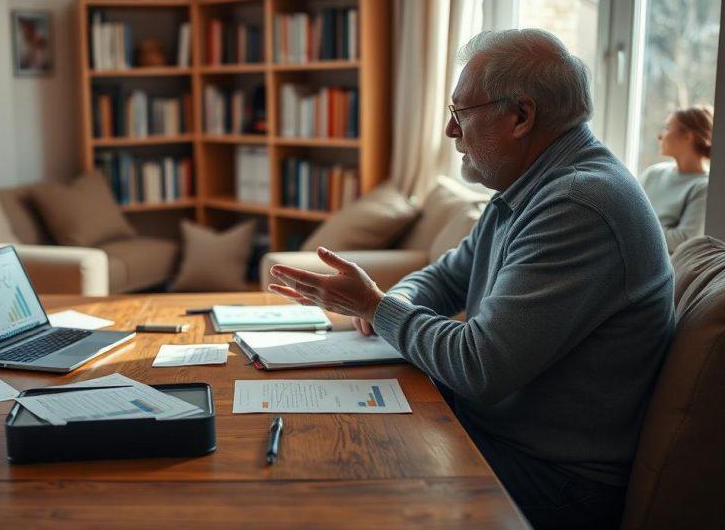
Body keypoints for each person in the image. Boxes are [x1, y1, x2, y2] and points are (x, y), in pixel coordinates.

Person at [268, 29, 674, 530]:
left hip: (553, 480)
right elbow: (444, 278)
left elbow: (480, 366)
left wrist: (377, 308)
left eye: (461, 113)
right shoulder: (530, 187)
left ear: (521, 117)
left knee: (324, 473)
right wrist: (390, 303)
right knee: (319, 445)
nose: (449, 131)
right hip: (501, 440)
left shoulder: (577, 205)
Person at [640, 105, 713, 253]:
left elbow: (683, 240)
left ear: (688, 136)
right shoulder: (653, 174)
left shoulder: (703, 187)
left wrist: (637, 227)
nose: (660, 136)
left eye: (667, 128)